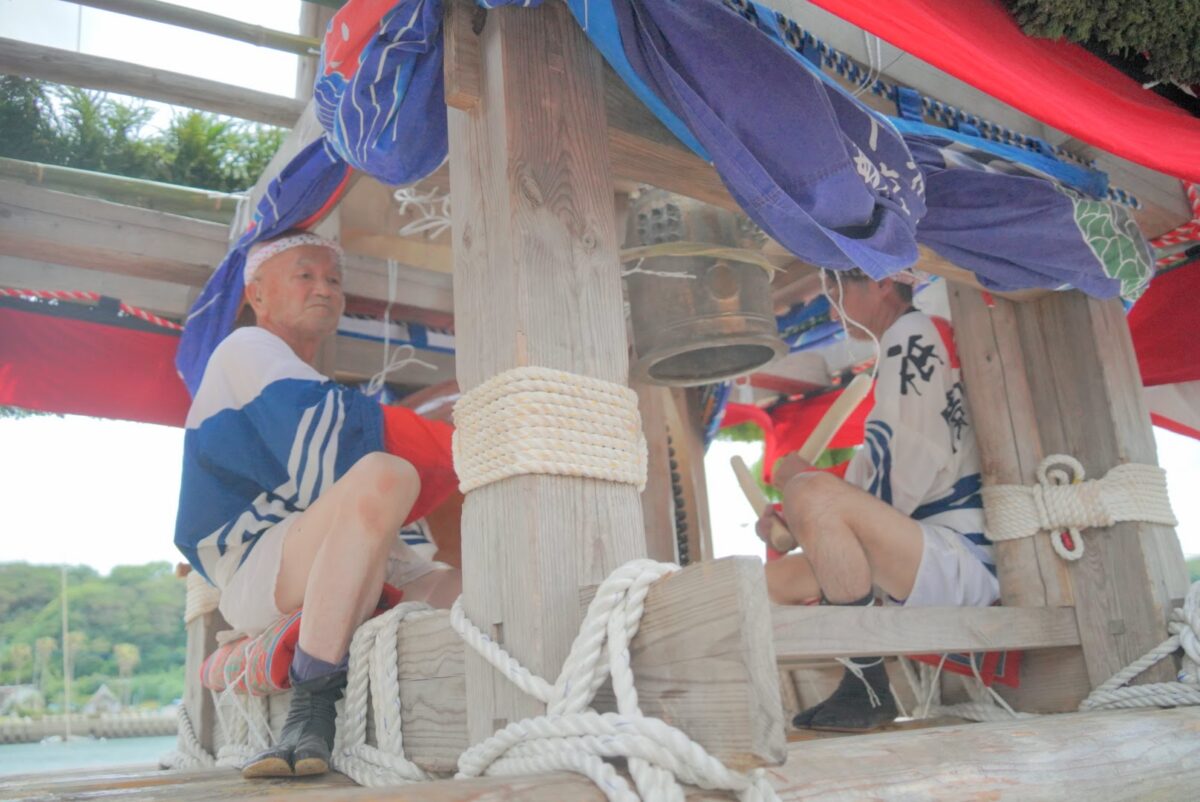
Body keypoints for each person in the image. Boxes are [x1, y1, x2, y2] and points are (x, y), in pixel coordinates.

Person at [174, 230, 458, 778]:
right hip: (264, 566)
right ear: (257, 294)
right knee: (385, 473)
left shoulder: (301, 375)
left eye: (334, 279)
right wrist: (472, 443)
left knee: (466, 589)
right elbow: (331, 434)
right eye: (305, 274)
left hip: (338, 561)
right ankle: (312, 706)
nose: (324, 288)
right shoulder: (244, 349)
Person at [758, 269, 996, 732]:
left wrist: (801, 483)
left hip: (958, 554)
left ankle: (866, 684)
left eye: (838, 291)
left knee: (812, 494)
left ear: (883, 282)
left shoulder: (912, 336)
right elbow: (869, 481)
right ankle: (854, 683)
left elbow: (899, 477)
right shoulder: (904, 344)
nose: (832, 310)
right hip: (923, 550)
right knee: (768, 584)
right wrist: (789, 518)